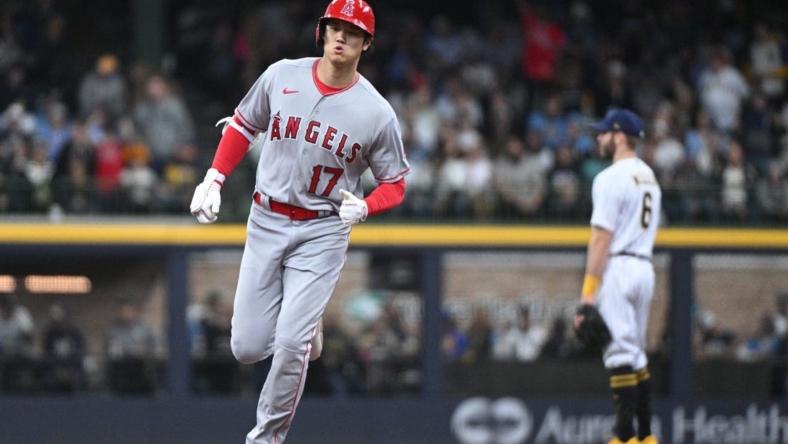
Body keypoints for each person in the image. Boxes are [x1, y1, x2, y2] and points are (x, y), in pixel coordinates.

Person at [188, 1, 410, 442]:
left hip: (323, 229)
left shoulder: (376, 112)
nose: (341, 37)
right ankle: (309, 321)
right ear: (321, 32)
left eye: (352, 31)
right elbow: (244, 124)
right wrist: (213, 178)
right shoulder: (282, 75)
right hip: (267, 217)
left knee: (291, 344)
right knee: (247, 348)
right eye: (334, 28)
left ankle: (267, 436)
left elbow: (396, 183)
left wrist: (367, 206)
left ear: (367, 43)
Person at [576, 108, 662, 444]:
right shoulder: (649, 175)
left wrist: (587, 294)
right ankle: (646, 436)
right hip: (644, 267)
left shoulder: (610, 177)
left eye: (603, 133)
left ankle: (622, 437)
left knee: (619, 356)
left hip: (619, 268)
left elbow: (601, 239)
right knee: (637, 354)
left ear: (620, 136)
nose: (598, 138)